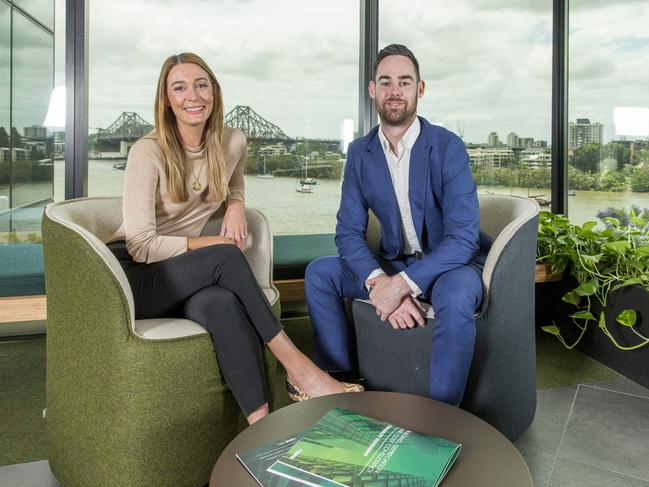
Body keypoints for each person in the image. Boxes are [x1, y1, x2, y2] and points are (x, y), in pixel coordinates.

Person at [108, 52, 361, 426]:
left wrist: (236, 204)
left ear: (214, 92)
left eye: (201, 85)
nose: (192, 96)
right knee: (226, 257)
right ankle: (300, 370)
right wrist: (214, 245)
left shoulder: (232, 141)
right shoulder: (148, 152)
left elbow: (235, 180)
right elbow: (141, 246)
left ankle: (262, 428)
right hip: (139, 277)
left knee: (222, 304)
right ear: (166, 99)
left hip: (186, 277)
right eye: (179, 87)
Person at [305, 44, 489, 406]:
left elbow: (463, 238)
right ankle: (341, 394)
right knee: (319, 273)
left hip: (450, 266)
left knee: (455, 295)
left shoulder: (447, 147)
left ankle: (441, 419)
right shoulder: (360, 152)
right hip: (394, 262)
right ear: (372, 90)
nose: (395, 91)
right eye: (385, 82)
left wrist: (403, 285)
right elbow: (347, 232)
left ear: (420, 89)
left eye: (404, 82)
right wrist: (380, 284)